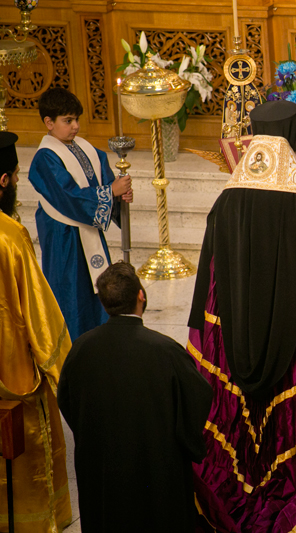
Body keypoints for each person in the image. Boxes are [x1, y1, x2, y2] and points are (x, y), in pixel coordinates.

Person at [188, 100, 296, 533]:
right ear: (294, 135)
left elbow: (209, 270)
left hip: (233, 332)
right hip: (293, 332)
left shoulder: (227, 199)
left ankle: (241, 468)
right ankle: (285, 472)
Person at [57, 262, 212, 533]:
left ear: (104, 303)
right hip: (156, 468)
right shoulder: (166, 351)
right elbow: (198, 398)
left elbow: (67, 401)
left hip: (102, 470)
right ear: (141, 295)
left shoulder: (81, 349)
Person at [0, 131, 73, 531]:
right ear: (4, 181)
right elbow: (40, 319)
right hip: (11, 379)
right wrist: (68, 379)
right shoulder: (9, 236)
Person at [27, 87, 133, 340]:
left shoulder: (86, 149)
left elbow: (105, 180)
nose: (75, 126)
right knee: (71, 294)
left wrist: (119, 195)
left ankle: (101, 341)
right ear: (49, 123)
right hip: (64, 238)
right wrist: (110, 192)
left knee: (97, 290)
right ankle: (72, 348)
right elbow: (68, 196)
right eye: (68, 121)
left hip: (89, 231)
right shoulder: (45, 158)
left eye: (76, 119)